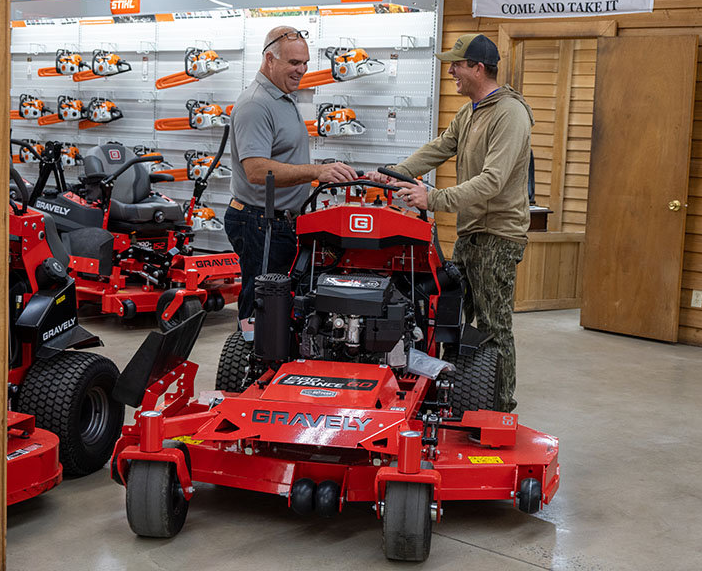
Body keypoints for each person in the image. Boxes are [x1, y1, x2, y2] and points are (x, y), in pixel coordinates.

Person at [369, 33, 534, 413]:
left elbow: (493, 180)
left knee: (493, 328)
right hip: (471, 233)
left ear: (478, 67)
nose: (451, 72)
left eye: (457, 65)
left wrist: (435, 199)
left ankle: (498, 409)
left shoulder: (509, 114)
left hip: (497, 236)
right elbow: (441, 146)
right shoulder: (472, 109)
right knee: (454, 320)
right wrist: (397, 173)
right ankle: (460, 395)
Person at [225, 25, 357, 321]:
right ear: (270, 59)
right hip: (260, 222)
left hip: (279, 221)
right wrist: (316, 172)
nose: (302, 70)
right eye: (294, 63)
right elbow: (256, 170)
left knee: (282, 304)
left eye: (305, 63)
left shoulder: (283, 95)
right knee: (261, 305)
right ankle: (250, 361)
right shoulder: (256, 104)